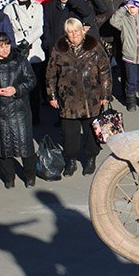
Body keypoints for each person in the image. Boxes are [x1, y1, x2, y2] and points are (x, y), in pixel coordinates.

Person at [46, 18, 111, 176]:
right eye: (70, 32)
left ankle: (90, 158)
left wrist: (106, 94)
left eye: (76, 31)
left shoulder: (94, 46)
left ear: (82, 31)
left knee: (91, 132)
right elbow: (51, 74)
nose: (74, 35)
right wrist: (52, 95)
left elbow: (105, 71)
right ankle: (71, 160)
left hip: (91, 97)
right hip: (67, 98)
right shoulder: (59, 48)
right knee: (69, 135)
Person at [0, 32, 37, 188]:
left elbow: (31, 80)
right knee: (2, 148)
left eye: (7, 45)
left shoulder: (20, 60)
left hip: (19, 109)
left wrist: (16, 89)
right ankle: (9, 177)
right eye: (0, 46)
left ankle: (30, 175)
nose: (5, 49)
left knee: (25, 146)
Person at [4, 0, 45, 123]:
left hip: (34, 50)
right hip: (19, 50)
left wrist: (27, 41)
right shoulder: (9, 8)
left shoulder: (38, 6)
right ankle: (23, 114)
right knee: (21, 84)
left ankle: (36, 115)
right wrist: (18, 43)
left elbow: (40, 28)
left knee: (35, 85)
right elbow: (8, 29)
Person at [109, 0, 139, 111]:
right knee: (131, 80)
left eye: (133, 7)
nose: (131, 10)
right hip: (129, 57)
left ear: (138, 6)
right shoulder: (124, 20)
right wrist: (123, 9)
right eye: (128, 7)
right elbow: (113, 21)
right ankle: (131, 102)